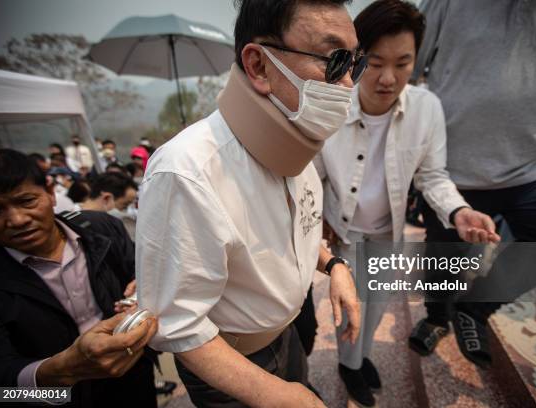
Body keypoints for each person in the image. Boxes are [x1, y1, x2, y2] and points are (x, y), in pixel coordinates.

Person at [136, 0, 365, 406]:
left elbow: (302, 225)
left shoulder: (295, 144)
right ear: (259, 65)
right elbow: (176, 321)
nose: (348, 85)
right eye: (334, 60)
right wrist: (273, 394)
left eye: (354, 64)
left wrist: (334, 266)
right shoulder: (187, 171)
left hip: (289, 333)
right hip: (229, 362)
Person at [314, 1, 499, 405]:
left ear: (417, 59)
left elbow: (433, 176)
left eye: (403, 63)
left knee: (377, 304)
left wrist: (459, 211)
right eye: (375, 61)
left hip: (387, 230)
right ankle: (349, 366)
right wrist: (317, 228)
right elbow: (312, 174)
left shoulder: (427, 108)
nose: (387, 78)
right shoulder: (331, 104)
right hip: (341, 229)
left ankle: (360, 357)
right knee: (351, 306)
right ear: (357, 57)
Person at [410, 0, 536, 367]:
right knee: (443, 257)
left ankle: (476, 308)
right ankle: (436, 318)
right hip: (451, 166)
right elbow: (406, 64)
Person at [0, 148, 158, 407]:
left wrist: (143, 289)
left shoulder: (103, 228)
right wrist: (61, 371)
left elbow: (141, 273)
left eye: (26, 201)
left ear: (50, 192)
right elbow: (2, 393)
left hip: (134, 382)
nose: (17, 220)